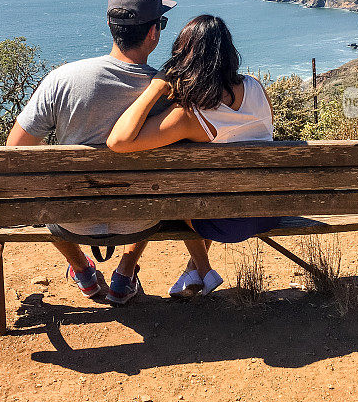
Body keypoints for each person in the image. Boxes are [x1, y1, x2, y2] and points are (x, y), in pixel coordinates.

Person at [6, 0, 177, 305]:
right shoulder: (167, 91)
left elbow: (15, 152)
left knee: (50, 196)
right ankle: (125, 272)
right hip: (141, 217)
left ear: (111, 26)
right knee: (155, 189)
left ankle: (82, 271)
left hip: (71, 219)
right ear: (154, 32)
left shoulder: (63, 79)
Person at [107, 15, 280, 297]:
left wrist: (156, 87)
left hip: (228, 224)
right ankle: (196, 272)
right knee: (207, 191)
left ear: (184, 57)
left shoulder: (190, 114)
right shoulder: (257, 87)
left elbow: (118, 141)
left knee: (174, 193)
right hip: (271, 211)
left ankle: (198, 270)